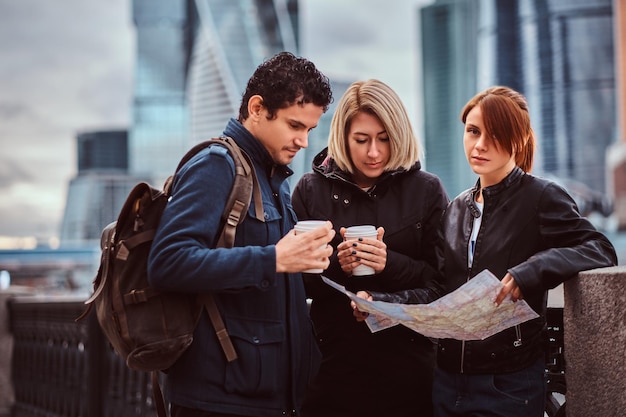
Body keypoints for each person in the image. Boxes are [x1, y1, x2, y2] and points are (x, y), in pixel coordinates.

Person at [354, 85, 618, 417]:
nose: (480, 145)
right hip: (448, 380)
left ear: (518, 139)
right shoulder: (456, 209)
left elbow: (600, 248)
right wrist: (383, 305)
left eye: (494, 134)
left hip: (510, 382)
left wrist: (532, 270)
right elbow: (440, 289)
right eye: (473, 131)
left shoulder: (541, 197)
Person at [147, 51, 336, 417]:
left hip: (263, 396)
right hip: (220, 399)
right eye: (295, 125)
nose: (303, 141)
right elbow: (168, 262)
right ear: (256, 108)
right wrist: (274, 259)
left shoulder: (273, 179)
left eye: (310, 130)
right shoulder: (216, 165)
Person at [292, 79, 449, 417]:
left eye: (383, 139)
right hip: (331, 370)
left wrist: (387, 263)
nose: (373, 152)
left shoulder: (427, 191)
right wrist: (336, 263)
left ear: (400, 134)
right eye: (361, 140)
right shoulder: (309, 190)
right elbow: (294, 283)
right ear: (342, 138)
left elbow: (442, 287)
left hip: (410, 372)